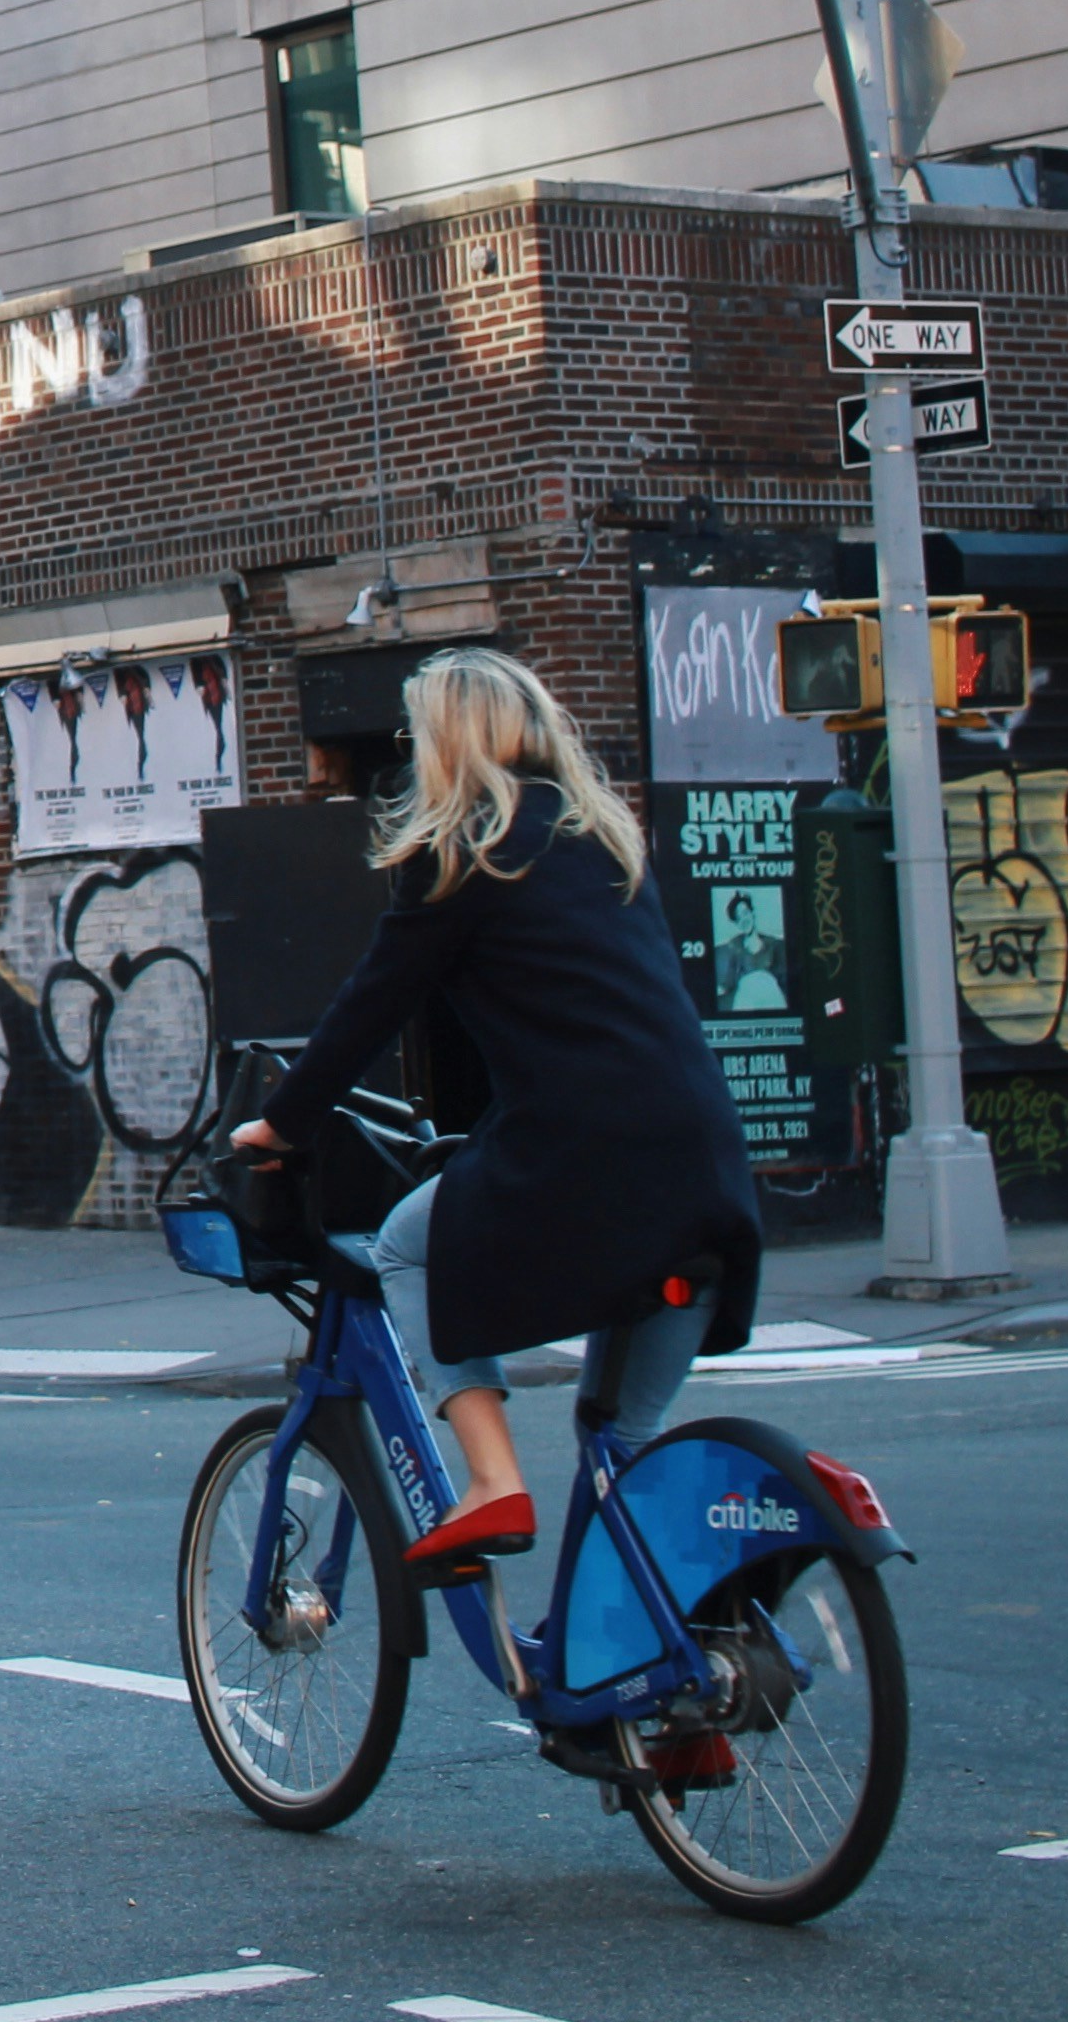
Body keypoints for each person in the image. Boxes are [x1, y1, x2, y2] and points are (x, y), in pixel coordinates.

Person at [229, 647, 762, 1578]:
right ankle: (658, 1687)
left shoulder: (463, 851)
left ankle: (491, 1479)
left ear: (445, 741)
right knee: (624, 1433)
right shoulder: (605, 840)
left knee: (402, 1245)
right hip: (704, 1162)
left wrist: (283, 1124)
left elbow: (371, 1005)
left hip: (584, 1158)